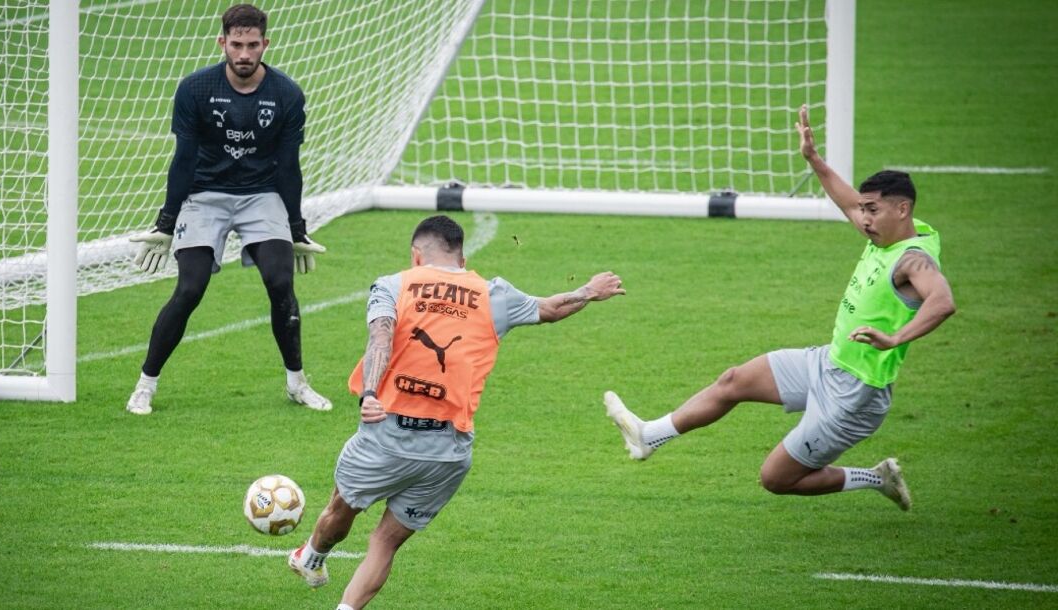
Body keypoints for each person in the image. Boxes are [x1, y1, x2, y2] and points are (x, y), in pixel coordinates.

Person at [604, 105, 956, 510]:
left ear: (903, 209)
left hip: (855, 393)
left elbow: (943, 301)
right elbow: (846, 201)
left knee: (776, 479)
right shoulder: (884, 234)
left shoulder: (912, 259)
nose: (863, 219)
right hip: (828, 362)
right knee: (733, 381)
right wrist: (814, 160)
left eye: (872, 210)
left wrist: (895, 337)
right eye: (863, 209)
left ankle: (875, 478)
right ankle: (649, 437)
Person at [287, 215, 625, 609]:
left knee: (342, 506)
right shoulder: (492, 293)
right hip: (448, 452)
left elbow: (380, 337)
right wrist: (590, 290)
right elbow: (552, 308)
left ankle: (314, 556)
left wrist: (370, 394)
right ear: (461, 258)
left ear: (416, 254)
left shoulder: (393, 285)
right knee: (384, 542)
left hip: (386, 436)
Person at [125, 4, 331, 415]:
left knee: (279, 282)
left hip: (262, 195)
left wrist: (297, 228)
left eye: (252, 45)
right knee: (190, 288)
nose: (243, 54)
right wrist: (166, 223)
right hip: (204, 195)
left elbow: (289, 167)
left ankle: (297, 383)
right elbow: (183, 159)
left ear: (265, 44)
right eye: (236, 44)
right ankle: (145, 385)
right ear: (222, 42)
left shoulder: (287, 94)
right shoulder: (195, 89)